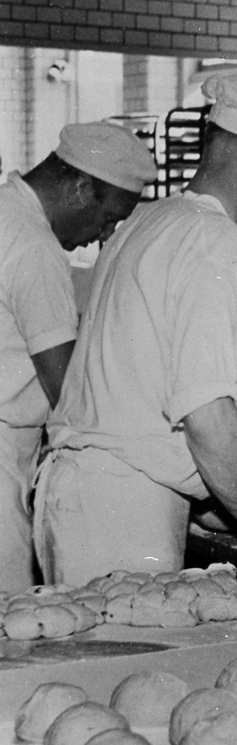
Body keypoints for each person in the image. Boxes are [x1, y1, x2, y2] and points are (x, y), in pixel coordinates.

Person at [35, 72, 237, 584]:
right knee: (125, 663)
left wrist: (216, 503)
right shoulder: (213, 240)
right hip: (124, 510)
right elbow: (204, 411)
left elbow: (135, 389)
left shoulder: (151, 222)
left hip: (83, 495)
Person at [0, 123, 156, 591]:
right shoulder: (33, 247)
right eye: (107, 218)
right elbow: (67, 391)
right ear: (79, 187)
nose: (100, 236)